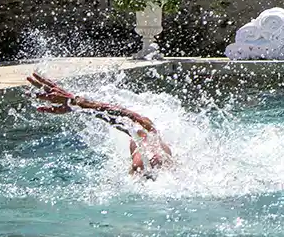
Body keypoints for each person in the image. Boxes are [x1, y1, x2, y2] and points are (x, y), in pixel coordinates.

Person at [27, 72, 174, 176]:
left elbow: (141, 127)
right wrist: (81, 105)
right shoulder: (154, 165)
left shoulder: (146, 162)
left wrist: (79, 103)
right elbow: (142, 127)